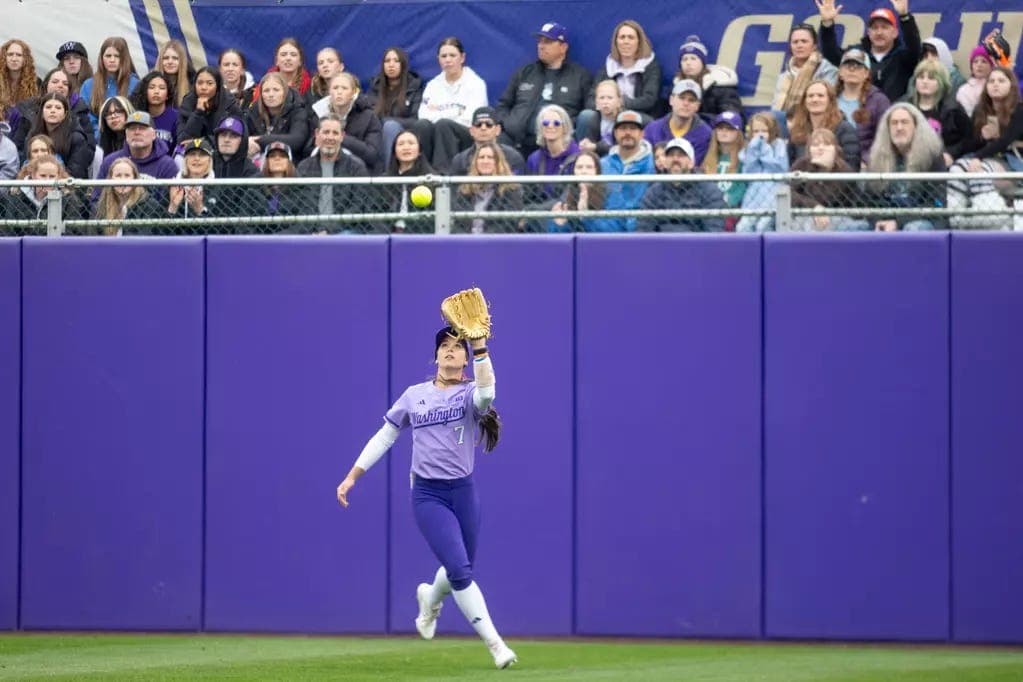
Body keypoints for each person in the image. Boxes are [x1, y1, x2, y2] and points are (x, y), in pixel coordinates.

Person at [336, 324, 517, 671]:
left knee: (459, 567)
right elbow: (384, 436)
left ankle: (430, 598)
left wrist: (480, 348)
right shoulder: (414, 395)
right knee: (461, 571)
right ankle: (496, 646)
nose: (450, 350)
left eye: (456, 346)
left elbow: (487, 394)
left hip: (463, 492)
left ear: (464, 358)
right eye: (444, 346)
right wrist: (352, 476)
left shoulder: (468, 395)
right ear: (434, 356)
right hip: (428, 494)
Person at [495, 22, 592, 152]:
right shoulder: (525, 72)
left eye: (548, 42)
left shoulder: (580, 76)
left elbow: (587, 113)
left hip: (557, 144)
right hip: (517, 141)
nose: (541, 46)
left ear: (563, 47)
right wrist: (509, 124)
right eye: (540, 42)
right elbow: (503, 105)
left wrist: (567, 127)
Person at [948, 66, 1021, 230]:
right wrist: (982, 137)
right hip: (985, 158)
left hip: (1013, 163)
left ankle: (991, 217)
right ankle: (956, 220)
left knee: (979, 171)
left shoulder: (1019, 109)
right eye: (992, 81)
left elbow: (1006, 140)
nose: (995, 84)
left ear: (1011, 85)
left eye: (1001, 81)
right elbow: (968, 144)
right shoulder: (980, 110)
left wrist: (978, 157)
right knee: (957, 168)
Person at [817, 0, 922, 102]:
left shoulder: (903, 56)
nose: (879, 32)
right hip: (860, 115)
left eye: (884, 27)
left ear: (894, 33)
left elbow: (915, 47)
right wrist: (827, 24)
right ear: (868, 32)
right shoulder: (856, 54)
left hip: (894, 116)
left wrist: (905, 17)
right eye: (875, 28)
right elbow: (831, 53)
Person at [866, 102, 946, 231]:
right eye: (894, 123)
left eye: (905, 122)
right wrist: (880, 220)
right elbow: (869, 202)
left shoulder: (932, 156)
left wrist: (898, 222)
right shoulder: (877, 159)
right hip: (886, 219)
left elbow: (936, 203)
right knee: (853, 226)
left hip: (922, 220)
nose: (899, 127)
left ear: (916, 126)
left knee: (914, 228)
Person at [413, 37, 489, 173]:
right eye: (443, 56)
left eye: (452, 55)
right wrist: (454, 112)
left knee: (444, 125)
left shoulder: (476, 84)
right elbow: (423, 115)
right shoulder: (432, 85)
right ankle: (421, 173)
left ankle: (443, 178)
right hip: (438, 133)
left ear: (462, 58)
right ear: (438, 59)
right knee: (422, 126)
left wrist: (440, 114)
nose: (448, 60)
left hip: (467, 137)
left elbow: (470, 119)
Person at [577, 19, 661, 138]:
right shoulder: (608, 67)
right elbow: (591, 98)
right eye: (622, 37)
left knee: (647, 122)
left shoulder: (650, 66)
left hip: (637, 113)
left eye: (630, 37)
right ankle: (584, 154)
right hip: (606, 113)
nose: (626, 41)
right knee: (586, 116)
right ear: (616, 42)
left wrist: (619, 105)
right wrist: (604, 105)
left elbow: (649, 100)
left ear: (639, 42)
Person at [295, 113, 370, 234]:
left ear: (342, 136)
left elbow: (357, 207)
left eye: (335, 133)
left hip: (344, 230)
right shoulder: (304, 167)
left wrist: (328, 230)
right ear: (317, 134)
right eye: (326, 132)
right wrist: (316, 231)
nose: (330, 137)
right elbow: (301, 206)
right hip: (310, 230)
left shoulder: (356, 167)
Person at [637, 137, 726, 232]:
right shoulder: (654, 191)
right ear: (666, 163)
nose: (675, 159)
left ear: (691, 163)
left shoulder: (709, 190)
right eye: (670, 155)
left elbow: (713, 229)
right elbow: (644, 228)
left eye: (681, 155)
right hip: (661, 245)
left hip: (696, 245)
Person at [789, 128, 869, 231]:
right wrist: (815, 207)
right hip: (805, 216)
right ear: (809, 149)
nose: (820, 148)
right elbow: (789, 192)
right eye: (815, 145)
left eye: (826, 144)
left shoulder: (844, 170)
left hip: (838, 218)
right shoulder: (801, 164)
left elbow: (848, 202)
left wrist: (826, 170)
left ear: (835, 149)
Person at [902, 60, 971, 164]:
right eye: (921, 77)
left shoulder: (953, 109)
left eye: (931, 78)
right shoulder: (903, 106)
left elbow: (969, 138)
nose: (925, 81)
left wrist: (951, 153)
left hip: (942, 163)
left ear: (941, 82)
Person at [312, 72, 383, 174]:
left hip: (359, 173)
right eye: (335, 88)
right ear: (329, 92)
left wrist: (341, 138)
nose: (339, 92)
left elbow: (372, 155)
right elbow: (308, 150)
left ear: (353, 93)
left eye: (344, 88)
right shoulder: (318, 113)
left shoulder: (368, 116)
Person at [12, 67, 95, 153]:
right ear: (45, 86)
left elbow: (89, 147)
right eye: (55, 82)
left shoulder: (79, 109)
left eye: (65, 84)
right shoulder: (29, 109)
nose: (60, 85)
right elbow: (18, 145)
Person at [366, 47, 424, 169]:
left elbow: (417, 120)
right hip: (378, 133)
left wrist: (387, 121)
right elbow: (369, 116)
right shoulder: (375, 87)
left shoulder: (414, 87)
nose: (391, 65)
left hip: (405, 134)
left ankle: (389, 174)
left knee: (390, 126)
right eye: (387, 61)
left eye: (396, 61)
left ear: (403, 64)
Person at [771, 23, 838, 124]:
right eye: (795, 42)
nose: (799, 45)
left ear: (814, 46)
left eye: (804, 41)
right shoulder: (784, 77)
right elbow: (775, 109)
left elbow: (827, 104)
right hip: (785, 127)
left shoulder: (828, 71)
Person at [94, 111, 178, 191]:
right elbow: (96, 198)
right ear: (126, 135)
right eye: (132, 128)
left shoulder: (167, 165)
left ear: (153, 135)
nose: (137, 132)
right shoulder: (110, 161)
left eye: (142, 128)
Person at [600, 109, 655, 231]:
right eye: (623, 128)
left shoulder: (654, 164)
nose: (627, 133)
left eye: (632, 128)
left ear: (641, 134)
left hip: (641, 225)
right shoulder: (602, 164)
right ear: (615, 133)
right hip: (606, 224)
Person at [786, 80, 860, 169]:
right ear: (804, 101)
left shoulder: (845, 129)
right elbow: (791, 165)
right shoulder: (797, 130)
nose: (815, 99)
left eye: (820, 96)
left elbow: (852, 167)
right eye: (810, 96)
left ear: (830, 100)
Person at [835, 47, 890, 165]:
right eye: (847, 65)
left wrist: (867, 159)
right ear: (840, 72)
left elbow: (884, 138)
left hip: (866, 165)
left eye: (858, 66)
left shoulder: (879, 101)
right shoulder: (830, 99)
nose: (852, 69)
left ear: (866, 73)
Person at [453, 142, 524, 233]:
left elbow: (508, 223)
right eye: (481, 157)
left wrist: (484, 241)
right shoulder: (465, 189)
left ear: (498, 162)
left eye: (490, 157)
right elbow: (458, 224)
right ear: (475, 162)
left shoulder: (511, 189)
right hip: (467, 242)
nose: (485, 161)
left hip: (495, 242)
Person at [735, 112, 789, 232]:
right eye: (756, 131)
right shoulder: (749, 148)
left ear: (772, 131)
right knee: (742, 227)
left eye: (764, 131)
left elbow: (780, 170)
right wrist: (753, 152)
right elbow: (748, 173)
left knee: (762, 226)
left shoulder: (779, 145)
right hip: (753, 198)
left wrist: (764, 150)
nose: (760, 135)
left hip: (773, 196)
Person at [80, 37, 140, 142]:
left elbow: (138, 115)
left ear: (124, 58)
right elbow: (83, 116)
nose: (112, 60)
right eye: (108, 56)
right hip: (97, 142)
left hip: (128, 141)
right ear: (101, 58)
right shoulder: (88, 85)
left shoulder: (135, 84)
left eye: (117, 56)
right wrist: (99, 134)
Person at [244, 71, 311, 162]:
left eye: (276, 90)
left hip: (289, 165)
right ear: (261, 94)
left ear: (285, 92)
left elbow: (296, 140)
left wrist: (260, 141)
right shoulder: (253, 112)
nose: (271, 95)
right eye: (266, 91)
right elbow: (239, 137)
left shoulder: (298, 110)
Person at [642, 79, 713, 165]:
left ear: (697, 106)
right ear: (671, 100)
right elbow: (644, 163)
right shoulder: (652, 129)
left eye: (691, 100)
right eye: (682, 98)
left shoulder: (705, 134)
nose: (686, 103)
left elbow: (696, 167)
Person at [23, 92, 93, 179]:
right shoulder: (32, 135)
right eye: (48, 107)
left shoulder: (76, 138)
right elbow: (26, 163)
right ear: (41, 112)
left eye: (58, 108)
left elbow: (76, 172)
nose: (53, 110)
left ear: (65, 114)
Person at [674, 35, 742, 120]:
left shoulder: (721, 87)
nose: (688, 63)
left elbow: (731, 118)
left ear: (703, 63)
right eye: (684, 59)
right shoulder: (675, 88)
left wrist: (696, 120)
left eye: (693, 58)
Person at [547, 149, 617, 232]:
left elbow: (613, 229)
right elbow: (556, 235)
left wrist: (585, 216)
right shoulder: (567, 194)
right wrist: (560, 225)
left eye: (589, 167)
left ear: (597, 171)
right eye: (579, 167)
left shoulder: (610, 193)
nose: (584, 172)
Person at [93, 157, 164, 235]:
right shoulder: (101, 206)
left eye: (127, 175)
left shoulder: (149, 205)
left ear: (135, 179)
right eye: (118, 175)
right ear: (110, 179)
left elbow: (146, 237)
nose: (123, 180)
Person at [524, 104, 579, 204]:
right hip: (537, 213)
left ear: (565, 128)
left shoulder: (578, 158)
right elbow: (528, 195)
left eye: (556, 123)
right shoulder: (533, 159)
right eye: (545, 123)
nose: (550, 126)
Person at [702, 110, 748, 227]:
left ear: (738, 132)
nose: (724, 132)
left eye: (730, 129)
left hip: (733, 210)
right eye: (720, 128)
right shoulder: (708, 158)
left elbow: (742, 187)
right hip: (709, 208)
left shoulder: (744, 158)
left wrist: (728, 203)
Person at [176, 67, 241, 149]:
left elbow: (233, 139)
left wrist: (201, 142)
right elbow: (182, 139)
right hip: (193, 151)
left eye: (209, 83)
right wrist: (198, 112)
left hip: (221, 152)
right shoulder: (188, 103)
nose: (203, 87)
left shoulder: (229, 105)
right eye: (199, 83)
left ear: (217, 86)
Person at [449, 107, 525, 176]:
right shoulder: (460, 160)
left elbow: (519, 188)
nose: (483, 128)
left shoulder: (513, 157)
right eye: (478, 124)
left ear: (498, 130)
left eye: (489, 124)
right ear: (471, 131)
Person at [384, 129, 434, 233]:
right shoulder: (383, 181)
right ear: (394, 152)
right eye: (401, 144)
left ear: (419, 150)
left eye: (411, 143)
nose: (406, 147)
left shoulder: (432, 180)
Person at [261, 141, 303, 231]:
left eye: (283, 156)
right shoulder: (255, 188)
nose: (277, 158)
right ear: (266, 161)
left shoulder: (300, 189)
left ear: (289, 161)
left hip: (290, 241)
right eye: (272, 156)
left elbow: (303, 224)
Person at [578, 80, 623, 157]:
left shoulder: (624, 120)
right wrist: (586, 145)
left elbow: (621, 150)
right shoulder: (593, 120)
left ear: (619, 101)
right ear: (596, 102)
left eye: (610, 98)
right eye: (602, 98)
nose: (605, 102)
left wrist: (596, 147)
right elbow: (591, 147)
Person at [131, 71, 177, 147]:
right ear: (145, 92)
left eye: (162, 88)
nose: (156, 91)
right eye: (151, 87)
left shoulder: (176, 118)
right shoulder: (136, 117)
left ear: (167, 95)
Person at [1, 39, 40, 116]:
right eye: (10, 54)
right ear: (4, 57)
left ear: (26, 59)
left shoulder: (36, 83)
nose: (14, 59)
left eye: (19, 55)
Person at [956, 44, 994, 117]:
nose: (979, 65)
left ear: (991, 66)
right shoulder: (964, 90)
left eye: (984, 61)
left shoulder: (996, 86)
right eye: (975, 61)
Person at [157, 39, 194, 107]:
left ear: (182, 61)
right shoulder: (148, 83)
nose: (170, 62)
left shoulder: (193, 85)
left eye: (175, 58)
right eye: (166, 58)